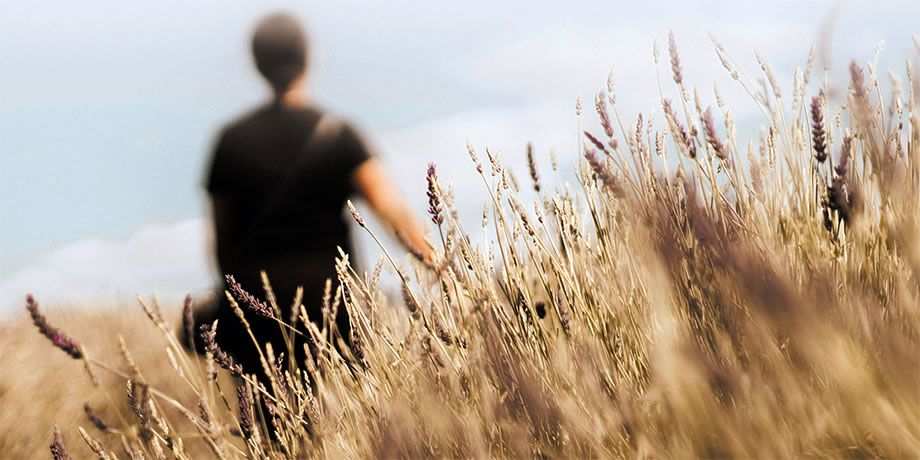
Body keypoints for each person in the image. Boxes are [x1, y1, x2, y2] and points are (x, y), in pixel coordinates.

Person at [199, 12, 431, 410]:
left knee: (275, 433)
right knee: (347, 423)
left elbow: (220, 240)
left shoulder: (230, 141)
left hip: (260, 312)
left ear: (256, 64)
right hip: (335, 310)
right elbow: (389, 209)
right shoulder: (338, 134)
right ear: (308, 59)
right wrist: (436, 261)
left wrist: (235, 299)